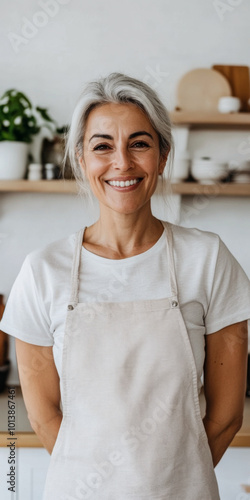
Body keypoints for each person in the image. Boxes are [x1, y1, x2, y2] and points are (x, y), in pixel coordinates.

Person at [1, 72, 250, 500]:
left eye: (139, 143)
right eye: (102, 146)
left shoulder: (207, 259)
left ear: (163, 155)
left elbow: (226, 417)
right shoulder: (42, 270)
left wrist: (171, 483)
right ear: (81, 158)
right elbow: (42, 416)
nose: (122, 163)